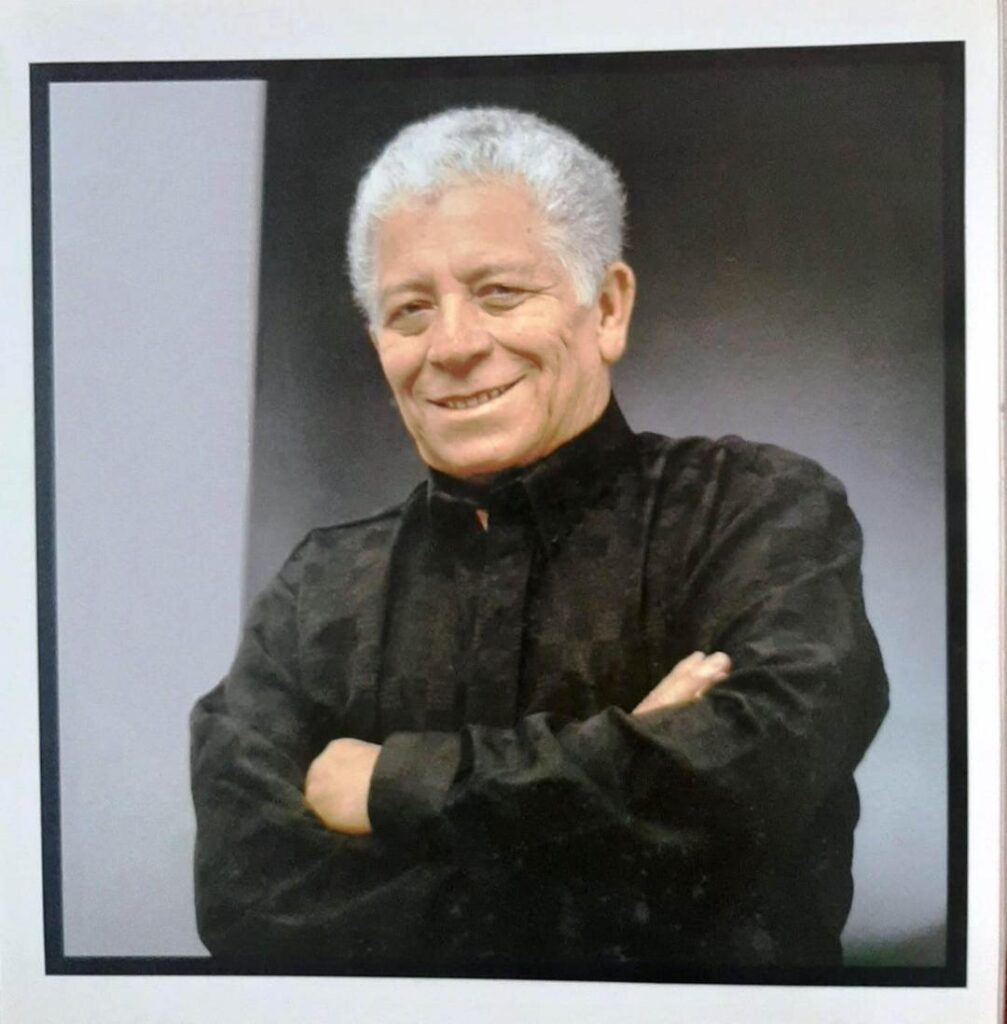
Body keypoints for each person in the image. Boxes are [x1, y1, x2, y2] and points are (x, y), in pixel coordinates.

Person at [189, 107, 889, 977]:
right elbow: (248, 903)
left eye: (499, 293)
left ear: (607, 308)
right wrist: (628, 796)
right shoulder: (317, 589)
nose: (452, 346)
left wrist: (391, 788)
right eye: (410, 310)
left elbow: (763, 771)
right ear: (378, 345)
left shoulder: (752, 510)